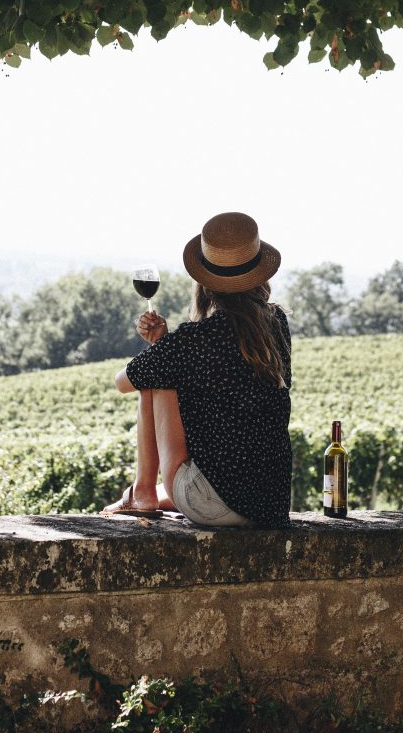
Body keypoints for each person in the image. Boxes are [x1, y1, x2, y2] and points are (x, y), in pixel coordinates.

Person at [102, 212, 292, 529]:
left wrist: (159, 350)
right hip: (270, 505)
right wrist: (164, 346)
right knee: (162, 368)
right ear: (258, 273)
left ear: (204, 282)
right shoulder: (276, 326)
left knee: (156, 377)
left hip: (213, 507)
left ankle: (143, 491)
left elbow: (124, 382)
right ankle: (153, 492)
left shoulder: (195, 340)